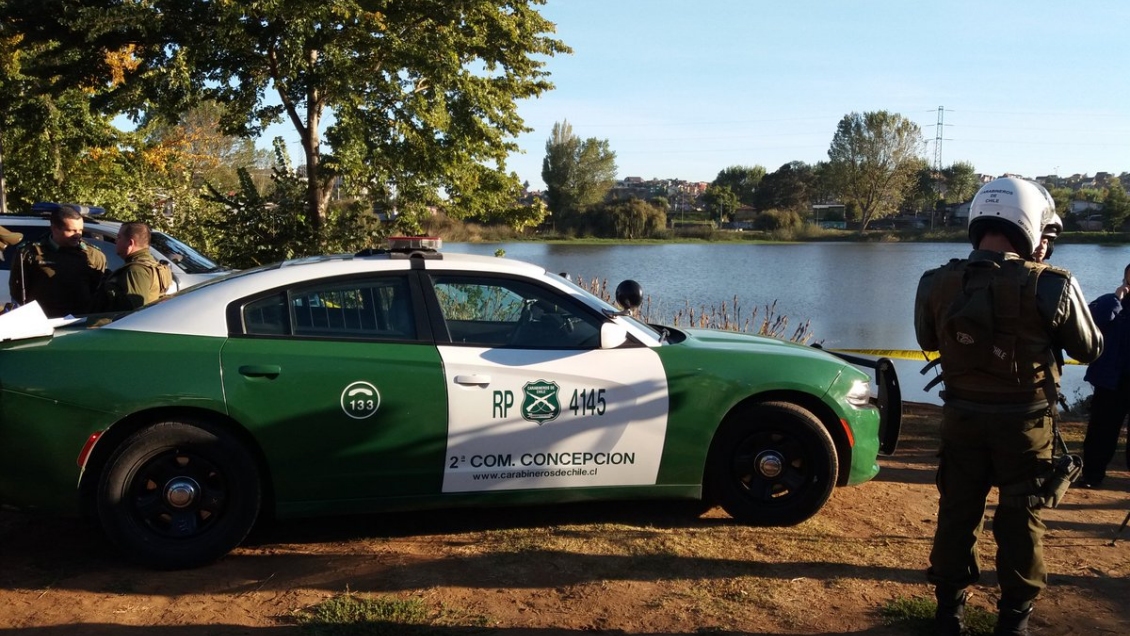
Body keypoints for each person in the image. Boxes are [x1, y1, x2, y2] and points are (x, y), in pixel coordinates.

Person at [914, 176, 1103, 636]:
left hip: (961, 419)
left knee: (957, 512)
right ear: (1032, 225)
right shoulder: (1053, 284)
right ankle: (1014, 622)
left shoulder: (935, 281)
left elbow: (926, 339)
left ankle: (948, 615)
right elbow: (1090, 348)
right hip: (1025, 425)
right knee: (1021, 519)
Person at [1080, 262, 1130, 488]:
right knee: (1101, 430)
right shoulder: (1109, 301)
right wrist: (1116, 299)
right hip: (1111, 380)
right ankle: (1092, 475)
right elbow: (1091, 323)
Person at [9, 205, 107, 317]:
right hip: (44, 320)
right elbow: (17, 291)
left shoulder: (94, 255)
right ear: (55, 228)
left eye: (80, 230)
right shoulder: (29, 252)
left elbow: (99, 293)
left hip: (81, 321)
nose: (77, 235)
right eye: (71, 230)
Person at [91, 221, 172, 312]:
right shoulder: (152, 264)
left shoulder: (136, 270)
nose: (116, 241)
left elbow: (133, 311)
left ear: (130, 243)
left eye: (119, 237)